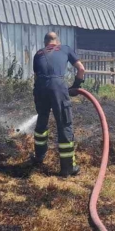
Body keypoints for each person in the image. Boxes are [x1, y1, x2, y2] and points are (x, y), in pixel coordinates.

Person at [32, 32, 86, 177]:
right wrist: (76, 85)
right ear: (57, 41)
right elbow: (81, 69)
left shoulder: (38, 53)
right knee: (64, 124)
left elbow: (36, 77)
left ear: (45, 42)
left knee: (41, 121)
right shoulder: (65, 48)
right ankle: (68, 168)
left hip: (40, 88)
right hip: (58, 87)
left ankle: (39, 157)